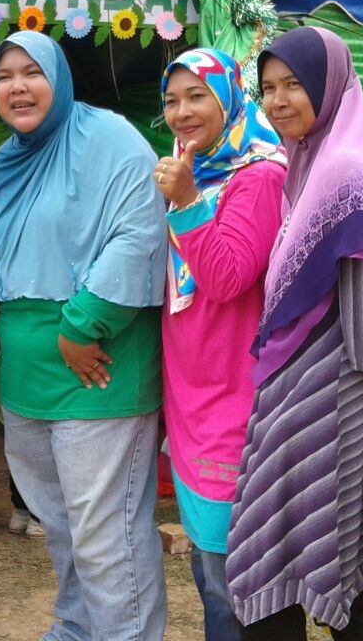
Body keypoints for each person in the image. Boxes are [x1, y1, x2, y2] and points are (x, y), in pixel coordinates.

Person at [226, 26, 363, 640]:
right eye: (268, 88)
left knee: (335, 576)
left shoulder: (348, 175)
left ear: (329, 86)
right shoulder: (308, 165)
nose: (278, 101)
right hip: (294, 401)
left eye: (294, 85)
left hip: (332, 406)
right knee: (299, 565)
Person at [0, 31, 168, 641]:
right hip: (28, 379)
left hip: (98, 369)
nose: (17, 87)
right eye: (4, 76)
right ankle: (77, 627)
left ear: (59, 78)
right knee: (60, 525)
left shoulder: (109, 139)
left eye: (31, 72)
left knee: (106, 534)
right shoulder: (8, 160)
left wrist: (83, 324)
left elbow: (140, 231)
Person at [152, 48, 286, 641]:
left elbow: (228, 278)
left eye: (196, 96)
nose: (181, 112)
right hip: (192, 392)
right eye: (171, 100)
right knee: (213, 570)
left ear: (230, 97)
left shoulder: (259, 177)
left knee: (229, 577)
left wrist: (185, 204)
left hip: (235, 395)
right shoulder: (199, 170)